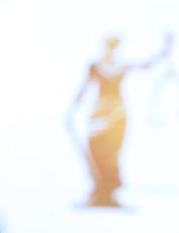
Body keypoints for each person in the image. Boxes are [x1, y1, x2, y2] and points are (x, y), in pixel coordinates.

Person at [67, 34, 171, 207]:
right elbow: (84, 88)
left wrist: (164, 50)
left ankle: (109, 191)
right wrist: (72, 109)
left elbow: (146, 65)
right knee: (95, 151)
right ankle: (99, 190)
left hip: (117, 117)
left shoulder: (121, 67)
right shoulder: (95, 66)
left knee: (111, 154)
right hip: (98, 116)